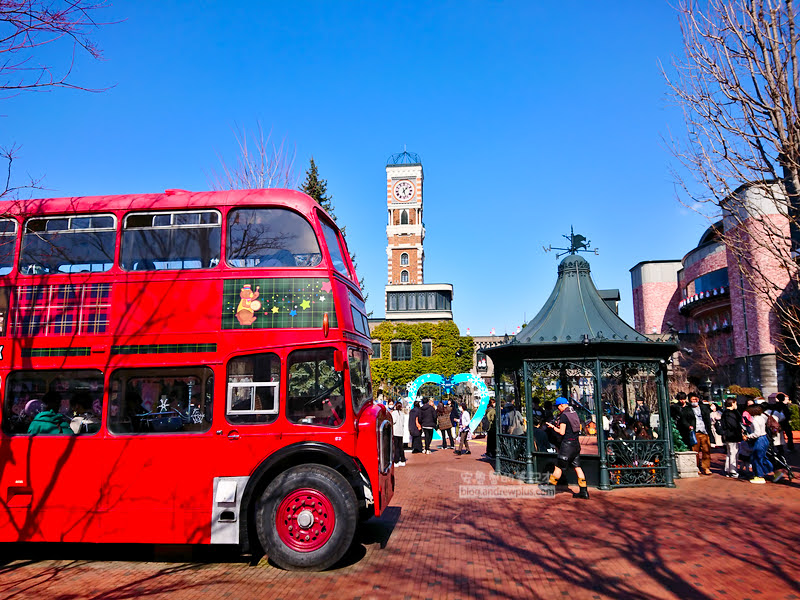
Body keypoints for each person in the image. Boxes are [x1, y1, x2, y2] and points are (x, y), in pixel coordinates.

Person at [543, 397, 588, 499]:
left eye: (558, 406)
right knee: (578, 467)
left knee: (558, 467)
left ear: (562, 405)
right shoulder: (574, 413)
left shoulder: (564, 416)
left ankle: (550, 489)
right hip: (576, 444)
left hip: (567, 445)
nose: (558, 408)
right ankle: (584, 491)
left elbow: (562, 432)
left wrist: (553, 427)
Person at [681, 392, 713, 475]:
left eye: (696, 399)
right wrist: (689, 426)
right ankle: (697, 467)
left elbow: (708, 419)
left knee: (706, 450)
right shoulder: (686, 409)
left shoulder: (704, 408)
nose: (695, 401)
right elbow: (683, 420)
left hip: (704, 431)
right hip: (694, 432)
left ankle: (706, 467)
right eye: (693, 399)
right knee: (695, 451)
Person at [744, 404, 773, 484]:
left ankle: (759, 476)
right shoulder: (761, 418)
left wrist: (748, 436)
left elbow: (757, 433)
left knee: (756, 458)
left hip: (759, 439)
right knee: (762, 457)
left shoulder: (755, 420)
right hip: (764, 438)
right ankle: (770, 470)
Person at [720, 398, 743, 478]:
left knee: (730, 453)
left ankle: (728, 469)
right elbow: (734, 425)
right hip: (732, 435)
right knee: (733, 453)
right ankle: (733, 470)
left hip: (729, 435)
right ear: (732, 403)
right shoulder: (730, 414)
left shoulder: (725, 413)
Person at [392, 401, 406, 467]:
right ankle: (402, 459)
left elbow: (393, 421)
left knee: (396, 447)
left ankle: (396, 460)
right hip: (401, 431)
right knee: (401, 446)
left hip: (395, 431)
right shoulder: (402, 413)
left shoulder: (394, 413)